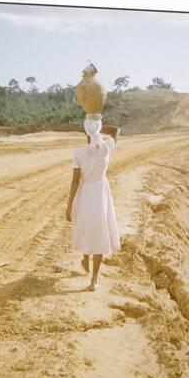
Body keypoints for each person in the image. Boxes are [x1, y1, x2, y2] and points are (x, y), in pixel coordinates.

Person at [66, 120, 121, 290]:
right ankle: (94, 280)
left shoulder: (79, 153)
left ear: (85, 133)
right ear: (98, 131)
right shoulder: (105, 148)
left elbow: (75, 181)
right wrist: (98, 126)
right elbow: (116, 130)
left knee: (86, 227)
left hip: (86, 193)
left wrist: (69, 205)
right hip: (101, 193)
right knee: (100, 232)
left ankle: (85, 259)